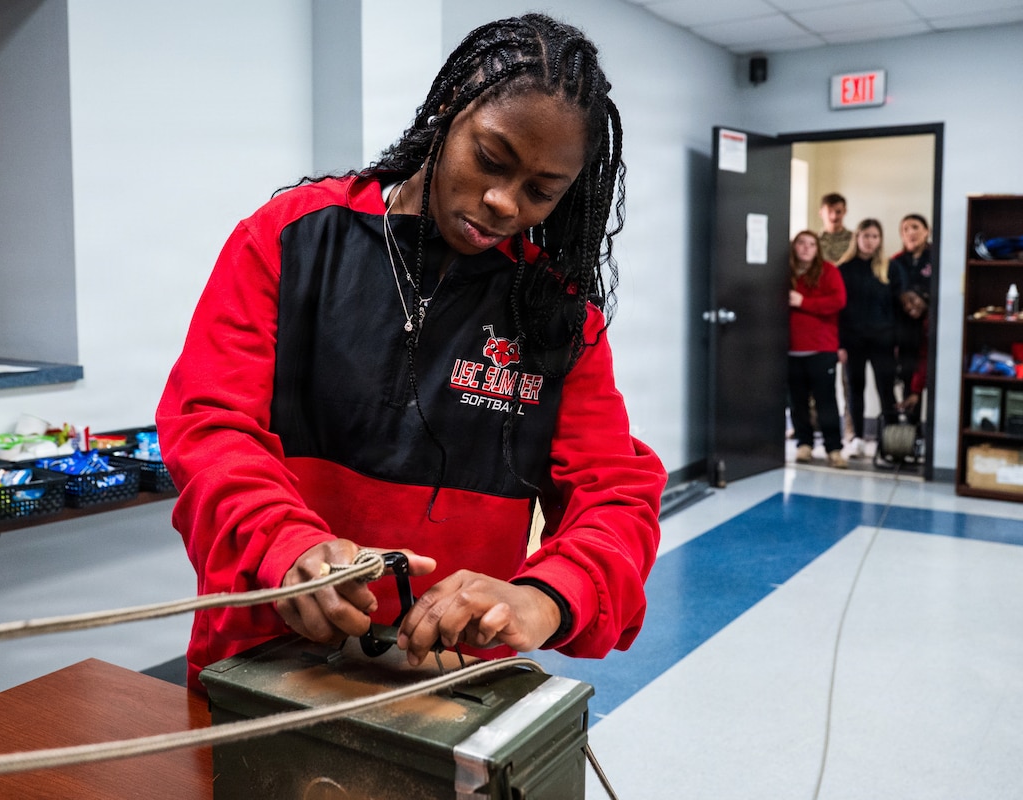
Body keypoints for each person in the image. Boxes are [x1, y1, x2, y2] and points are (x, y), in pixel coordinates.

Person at [157, 14, 665, 690]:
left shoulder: (557, 316)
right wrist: (284, 543)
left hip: (449, 683)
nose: (502, 201)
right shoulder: (290, 240)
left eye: (541, 191)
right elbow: (210, 426)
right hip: (266, 660)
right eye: (491, 158)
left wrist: (548, 596)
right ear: (448, 111)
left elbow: (615, 496)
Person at [837, 218, 903, 458]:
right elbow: (839, 310)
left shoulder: (890, 268)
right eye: (866, 236)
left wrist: (897, 341)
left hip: (883, 340)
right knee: (855, 389)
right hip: (853, 340)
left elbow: (897, 309)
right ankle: (855, 439)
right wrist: (840, 344)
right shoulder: (843, 269)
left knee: (886, 389)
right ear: (857, 238)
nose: (870, 241)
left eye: (874, 236)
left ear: (880, 240)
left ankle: (891, 441)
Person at [787, 230, 848, 468]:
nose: (805, 248)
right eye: (801, 243)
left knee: (826, 402)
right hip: (791, 350)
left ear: (817, 248)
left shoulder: (828, 271)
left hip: (821, 349)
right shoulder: (785, 272)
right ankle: (804, 444)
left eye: (811, 244)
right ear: (794, 246)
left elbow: (838, 301)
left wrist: (804, 302)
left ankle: (834, 448)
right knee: (797, 402)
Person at [890, 214, 932, 422]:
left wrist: (924, 302)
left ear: (927, 231)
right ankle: (908, 433)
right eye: (905, 229)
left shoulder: (937, 257)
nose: (910, 233)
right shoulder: (895, 262)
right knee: (907, 379)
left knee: (927, 377)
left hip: (930, 328)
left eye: (915, 227)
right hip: (904, 329)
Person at [817, 192, 852, 264]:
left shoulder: (855, 240)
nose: (834, 216)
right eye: (829, 212)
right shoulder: (813, 241)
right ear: (821, 213)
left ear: (845, 211)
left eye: (838, 212)